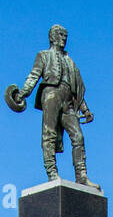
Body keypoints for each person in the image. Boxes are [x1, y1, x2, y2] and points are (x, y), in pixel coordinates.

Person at [6, 25, 99, 187]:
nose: (63, 38)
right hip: (51, 94)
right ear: (52, 37)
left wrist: (85, 109)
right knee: (49, 134)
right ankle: (52, 172)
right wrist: (22, 93)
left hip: (68, 99)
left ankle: (81, 175)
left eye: (65, 35)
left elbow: (76, 88)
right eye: (60, 34)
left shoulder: (70, 61)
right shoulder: (43, 55)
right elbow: (34, 76)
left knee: (78, 137)